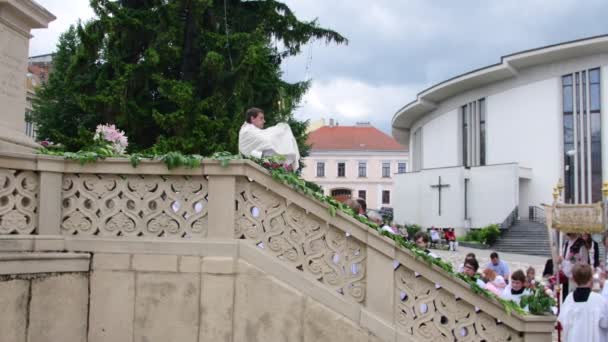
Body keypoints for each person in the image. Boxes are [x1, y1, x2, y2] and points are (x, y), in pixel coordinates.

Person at [558, 264, 608, 342]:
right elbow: (605, 323)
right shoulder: (598, 300)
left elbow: (564, 322)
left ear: (573, 279)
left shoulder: (569, 299)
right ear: (591, 278)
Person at [560, 233, 589, 299]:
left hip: (576, 279)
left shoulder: (581, 245)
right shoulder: (566, 244)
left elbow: (583, 264)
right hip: (565, 278)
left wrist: (563, 262)